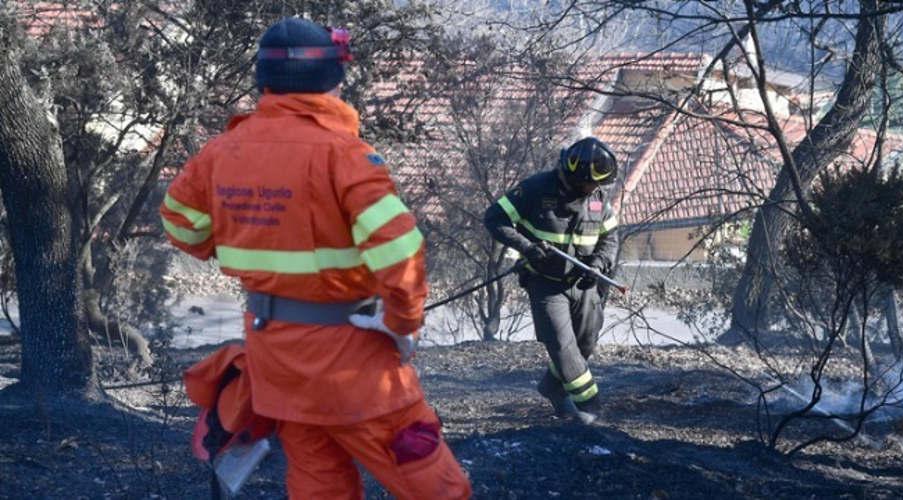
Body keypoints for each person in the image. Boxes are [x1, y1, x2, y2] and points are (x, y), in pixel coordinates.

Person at [160, 17, 471, 500]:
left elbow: (180, 224)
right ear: (333, 79)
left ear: (262, 78)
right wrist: (403, 323)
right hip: (355, 365)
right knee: (436, 485)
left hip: (277, 362)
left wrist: (247, 240)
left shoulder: (221, 152)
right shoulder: (342, 155)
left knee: (318, 484)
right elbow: (400, 248)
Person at [483, 137, 620, 424]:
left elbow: (610, 237)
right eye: (591, 184)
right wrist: (527, 248)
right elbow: (494, 218)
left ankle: (552, 388)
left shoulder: (597, 198)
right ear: (575, 175)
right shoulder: (535, 189)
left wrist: (598, 263)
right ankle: (591, 408)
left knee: (584, 344)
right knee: (562, 345)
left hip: (584, 283)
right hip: (545, 283)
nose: (595, 190)